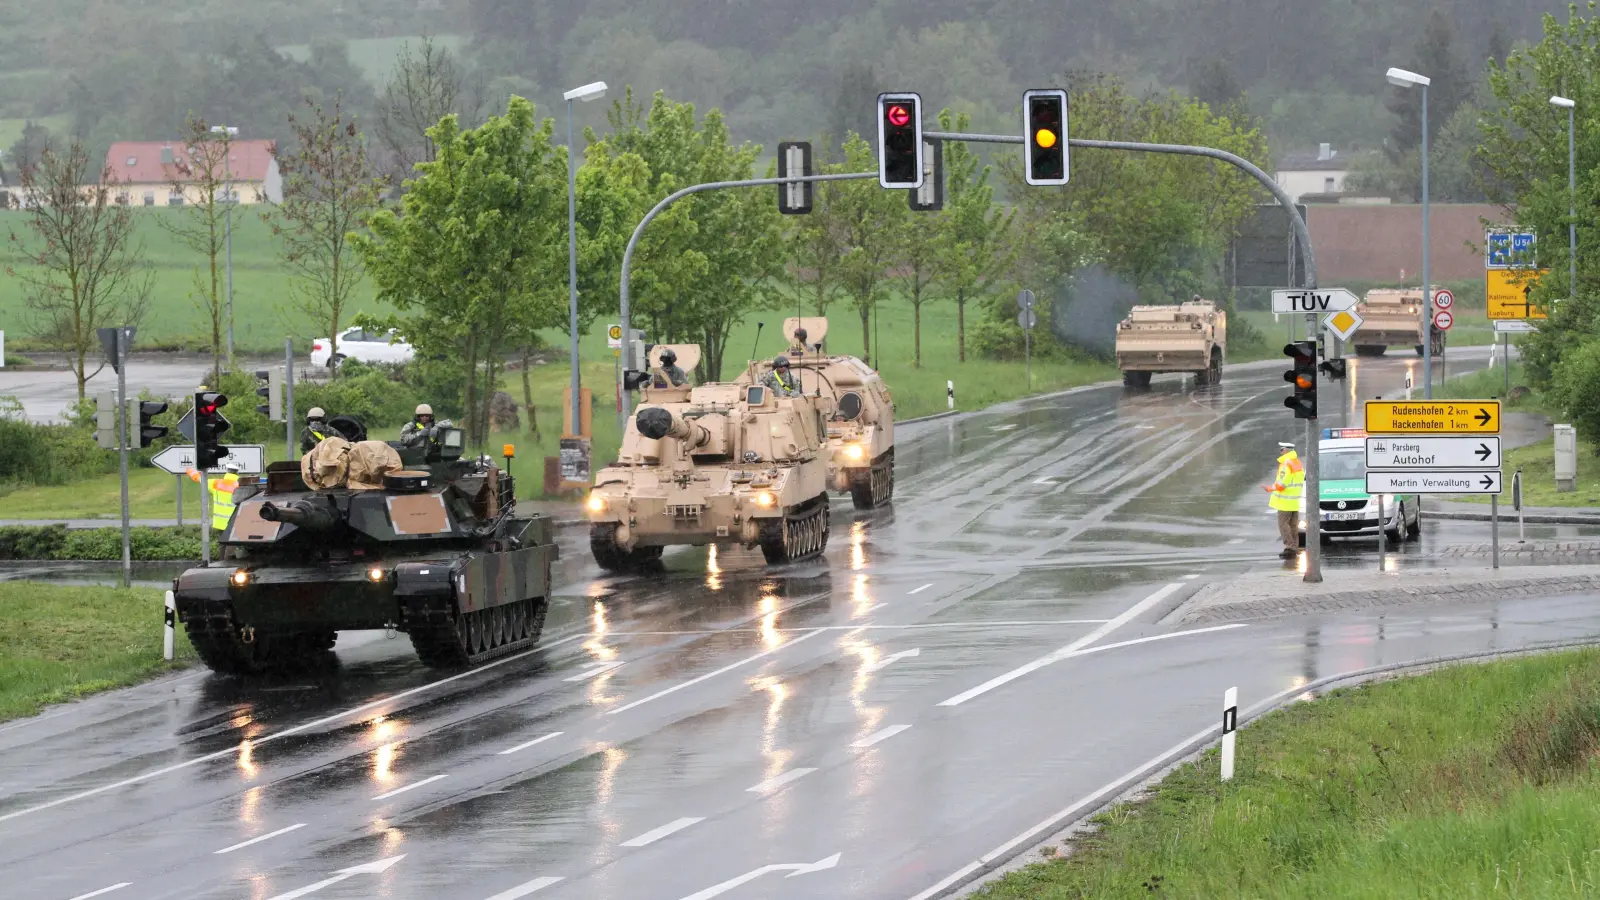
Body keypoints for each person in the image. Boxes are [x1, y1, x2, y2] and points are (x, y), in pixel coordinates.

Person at [1263, 441, 1305, 558]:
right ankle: (1294, 546)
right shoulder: (1297, 463)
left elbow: (1282, 483)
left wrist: (1270, 489)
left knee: (1283, 524)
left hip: (1284, 501)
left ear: (1287, 451)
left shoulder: (1286, 464)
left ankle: (1289, 547)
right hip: (1294, 501)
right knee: (1293, 525)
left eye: (1282, 449)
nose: (1280, 452)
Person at [210, 462, 241, 532]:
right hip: (235, 523)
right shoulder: (241, 485)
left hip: (220, 524)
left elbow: (202, 481)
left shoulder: (216, 483)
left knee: (220, 542)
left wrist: (191, 471)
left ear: (227, 471)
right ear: (237, 472)